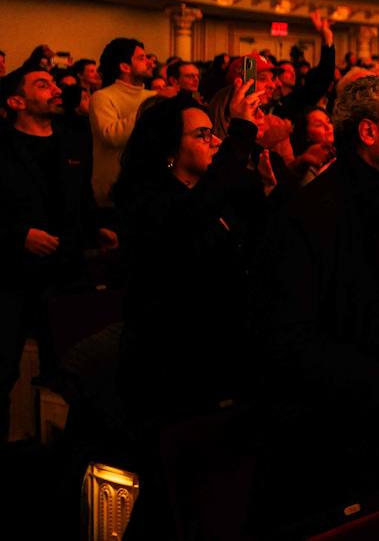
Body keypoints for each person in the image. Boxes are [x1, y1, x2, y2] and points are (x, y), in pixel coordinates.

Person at [253, 75, 379, 525]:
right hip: (346, 441)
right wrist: (378, 389)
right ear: (368, 132)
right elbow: (287, 338)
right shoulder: (308, 214)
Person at [112, 84, 268, 535]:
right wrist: (239, 131)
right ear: (168, 149)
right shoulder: (148, 201)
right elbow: (186, 228)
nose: (214, 141)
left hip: (224, 355)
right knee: (169, 497)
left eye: (214, 134)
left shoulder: (217, 194)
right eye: (202, 135)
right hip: (168, 367)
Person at [0, 63, 104, 441]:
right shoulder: (3, 145)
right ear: (16, 100)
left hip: (65, 272)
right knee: (3, 370)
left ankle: (63, 460)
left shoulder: (73, 139)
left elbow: (83, 198)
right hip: (12, 275)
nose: (56, 89)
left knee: (72, 372)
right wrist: (19, 236)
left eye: (54, 83)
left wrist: (98, 229)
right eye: (42, 84)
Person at [90, 37, 156, 207]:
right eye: (141, 58)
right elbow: (112, 136)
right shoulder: (102, 97)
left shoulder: (152, 97)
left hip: (147, 190)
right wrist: (150, 107)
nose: (150, 63)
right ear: (124, 66)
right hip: (113, 192)